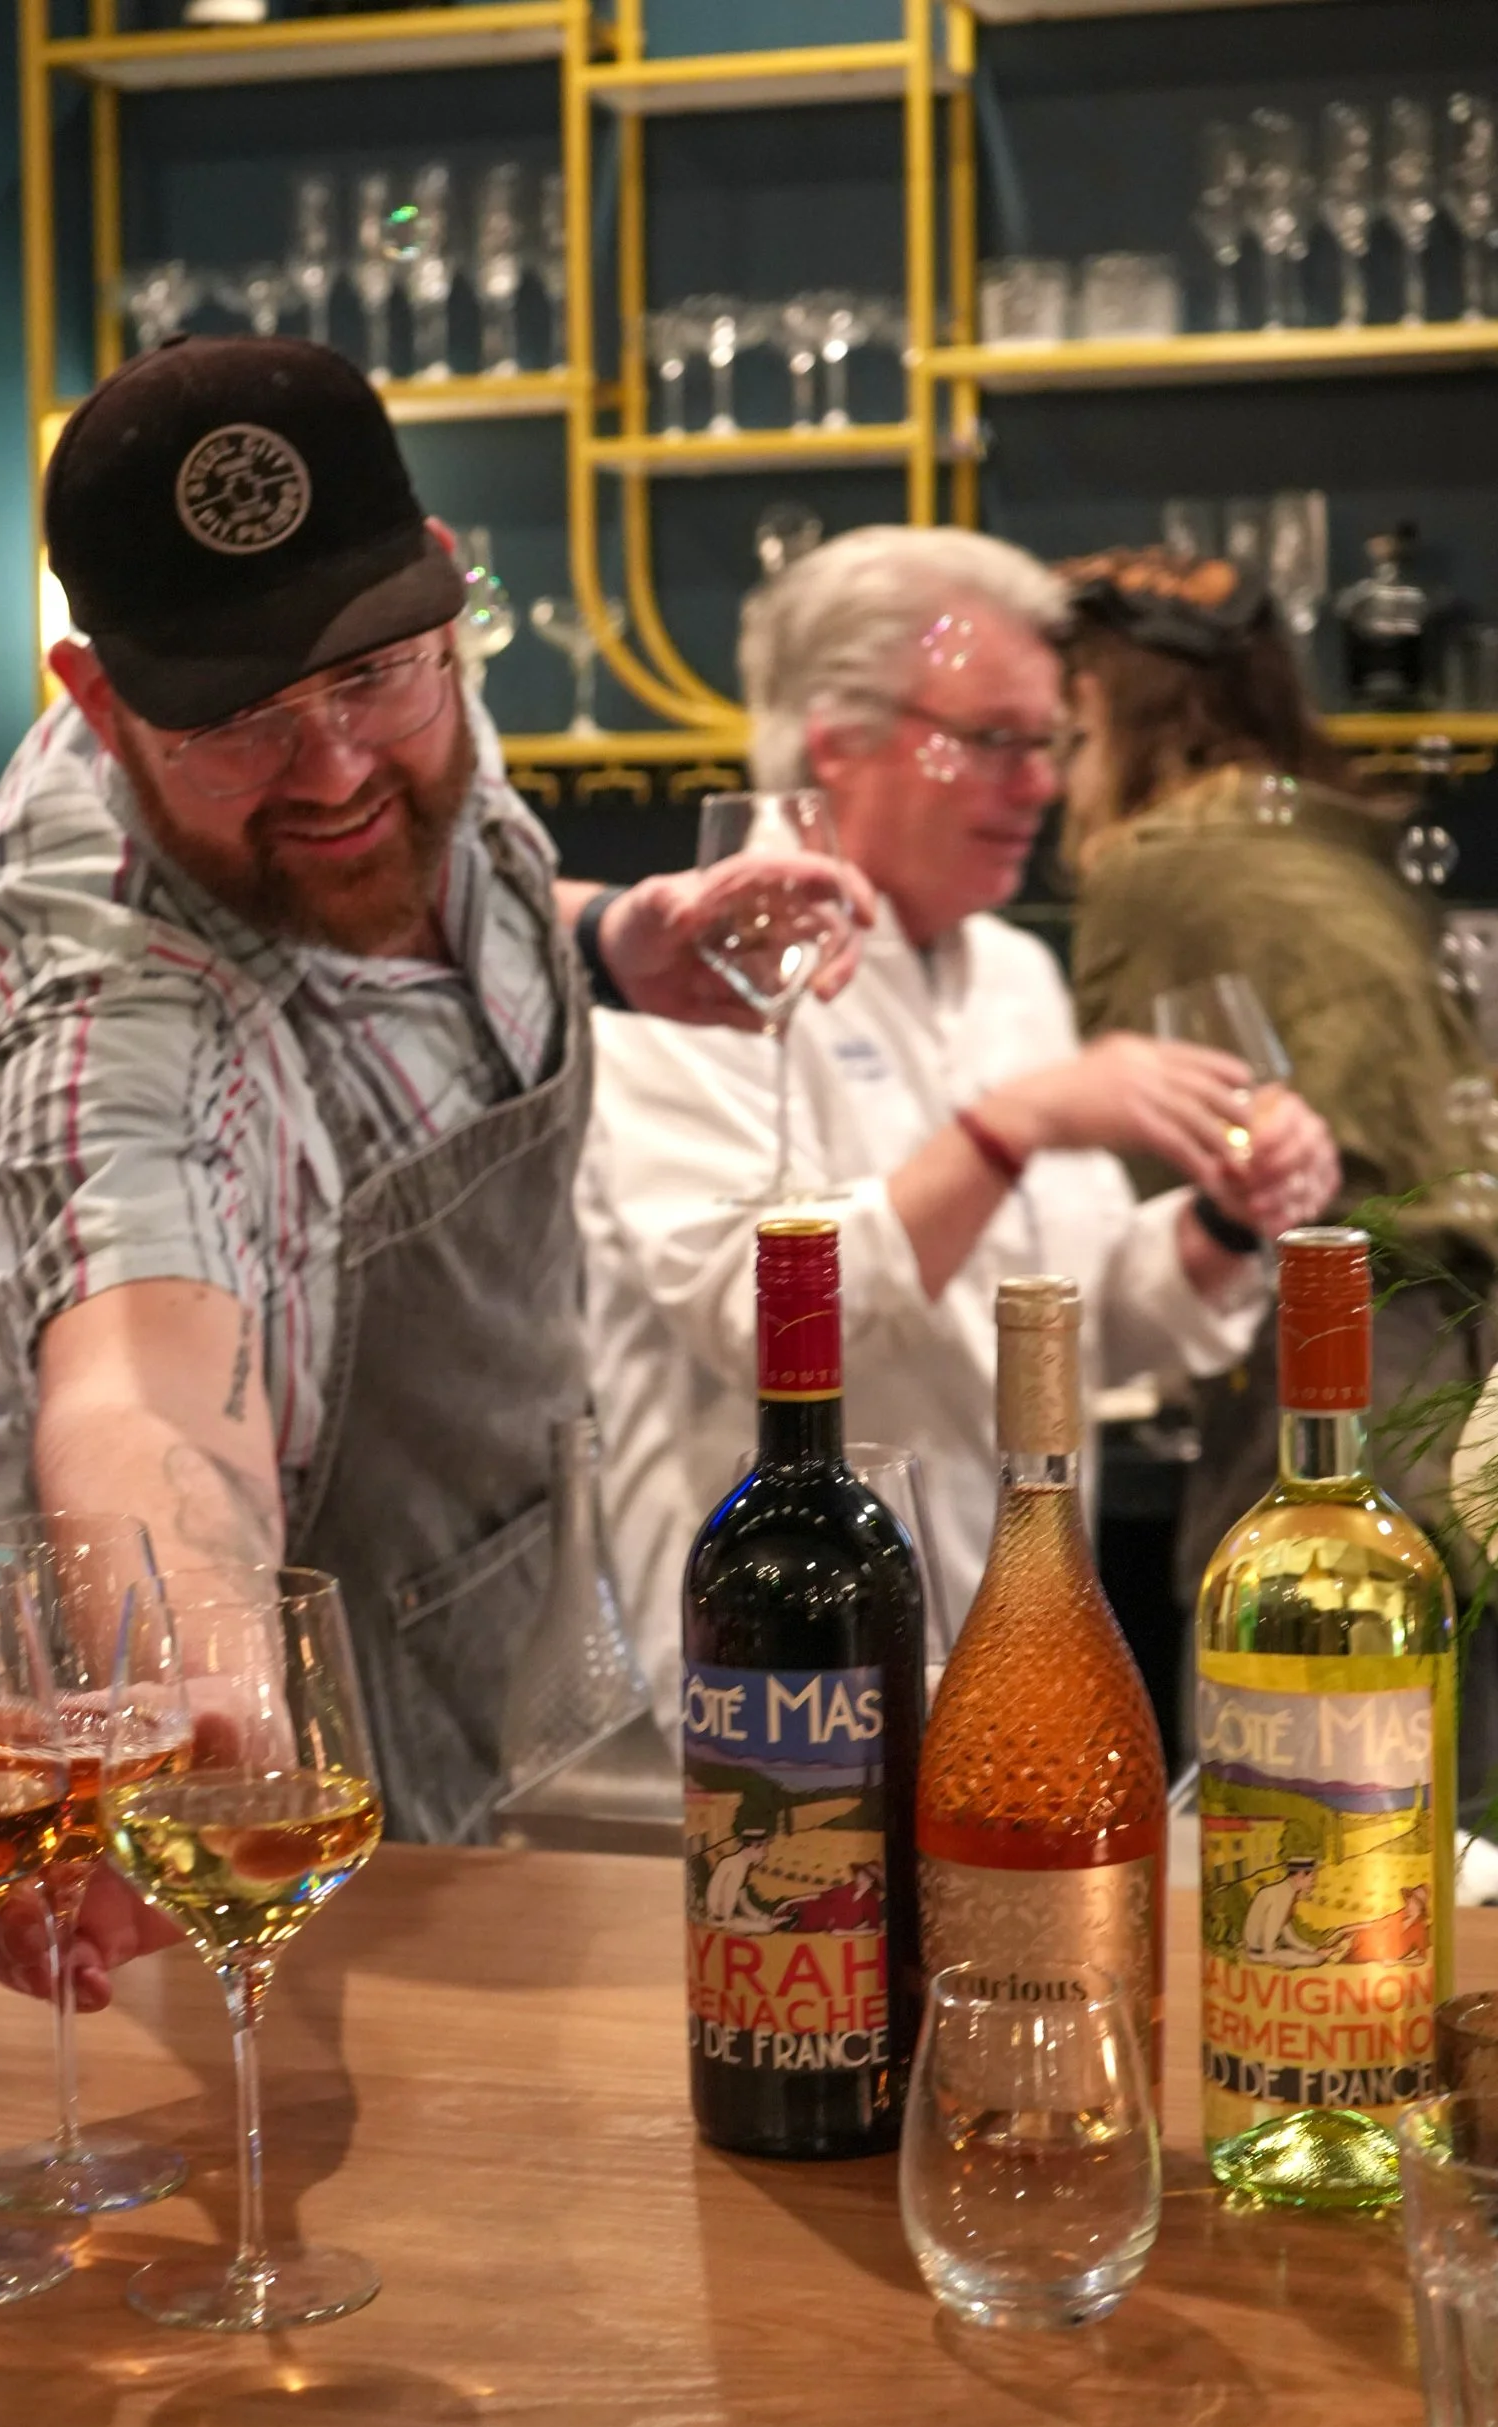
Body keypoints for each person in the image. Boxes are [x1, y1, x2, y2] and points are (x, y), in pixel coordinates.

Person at [0, 334, 865, 1910]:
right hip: (271, 1818)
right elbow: (140, 1382)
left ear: (443, 588)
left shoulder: (418, 725)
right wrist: (201, 1721)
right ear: (94, 696)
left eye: (370, 676)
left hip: (509, 1687)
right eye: (239, 723)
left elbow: (413, 899)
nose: (334, 765)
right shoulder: (98, 987)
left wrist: (616, 933)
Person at [575, 525, 1339, 1732]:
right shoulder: (697, 969)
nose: (1037, 783)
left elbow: (1071, 1331)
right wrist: (1004, 1130)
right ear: (837, 739)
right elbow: (750, 1316)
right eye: (992, 742)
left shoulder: (1011, 972)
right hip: (781, 1671)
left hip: (1011, 1647)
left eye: (1049, 743)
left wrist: (1220, 1225)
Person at [1060, 546, 1496, 1610]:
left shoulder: (1159, 863)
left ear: (1104, 706)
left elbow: (1119, 1159)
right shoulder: (1331, 838)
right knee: (1437, 1740)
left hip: (1328, 1334)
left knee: (1279, 1722)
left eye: (1058, 731)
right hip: (1458, 1348)